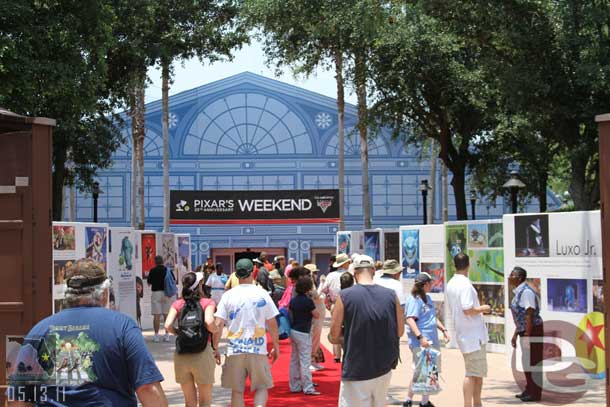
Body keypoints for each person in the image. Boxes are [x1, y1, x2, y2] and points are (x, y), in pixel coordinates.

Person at [7, 259, 168, 406]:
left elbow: (18, 398)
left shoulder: (39, 331)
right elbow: (147, 389)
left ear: (66, 294)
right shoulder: (123, 327)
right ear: (104, 293)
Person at [330, 255, 404, 407]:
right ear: (374, 270)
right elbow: (400, 331)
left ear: (354, 273)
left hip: (356, 367)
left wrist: (345, 335)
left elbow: (334, 335)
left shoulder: (345, 296)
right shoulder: (391, 295)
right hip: (383, 367)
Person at [214, 259, 280, 407]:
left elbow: (218, 324)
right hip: (258, 349)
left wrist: (215, 347)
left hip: (235, 349)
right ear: (253, 271)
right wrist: (276, 345)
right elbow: (272, 322)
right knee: (262, 387)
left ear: (236, 274)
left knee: (237, 390)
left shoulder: (228, 295)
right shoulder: (262, 293)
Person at [164, 272, 220, 407]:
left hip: (182, 354)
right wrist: (215, 331)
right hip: (202, 353)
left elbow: (167, 325)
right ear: (199, 286)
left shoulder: (178, 303)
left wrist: (180, 333)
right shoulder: (207, 302)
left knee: (189, 402)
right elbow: (209, 321)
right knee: (205, 401)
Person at [446, 253, 490, 407]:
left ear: (454, 265)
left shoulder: (451, 283)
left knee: (476, 373)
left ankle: (476, 403)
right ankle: (469, 404)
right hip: (472, 336)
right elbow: (467, 309)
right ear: (468, 265)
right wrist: (483, 308)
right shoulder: (464, 284)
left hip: (465, 334)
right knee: (472, 373)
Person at [404, 272, 450, 407]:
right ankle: (411, 401)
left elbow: (432, 318)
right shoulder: (414, 299)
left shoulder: (428, 298)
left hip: (431, 340)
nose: (432, 284)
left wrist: (444, 330)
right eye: (430, 283)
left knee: (428, 372)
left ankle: (420, 401)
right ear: (424, 285)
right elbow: (410, 319)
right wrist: (420, 337)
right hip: (422, 341)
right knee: (422, 372)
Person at [509, 267, 544, 402]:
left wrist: (528, 336)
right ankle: (529, 389)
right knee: (526, 361)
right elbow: (521, 317)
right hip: (524, 330)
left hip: (532, 330)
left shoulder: (526, 293)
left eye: (512, 275)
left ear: (519, 278)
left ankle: (535, 393)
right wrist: (515, 334)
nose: (509, 277)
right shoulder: (519, 292)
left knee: (533, 362)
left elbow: (529, 314)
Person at [288, 275, 321, 395]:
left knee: (294, 360)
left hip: (293, 330)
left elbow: (290, 313)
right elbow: (317, 315)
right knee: (305, 361)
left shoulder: (293, 301)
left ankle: (294, 385)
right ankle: (308, 387)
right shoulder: (308, 301)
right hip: (303, 332)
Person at [319, 253, 351, 363]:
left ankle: (337, 355)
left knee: (336, 327)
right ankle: (348, 351)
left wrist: (328, 304)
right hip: (349, 304)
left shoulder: (330, 275)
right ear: (345, 263)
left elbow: (323, 291)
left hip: (334, 304)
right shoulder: (350, 274)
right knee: (349, 328)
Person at [147, 255, 174, 342]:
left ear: (155, 262)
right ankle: (167, 335)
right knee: (167, 315)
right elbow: (173, 280)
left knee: (156, 315)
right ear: (163, 261)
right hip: (166, 293)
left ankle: (156, 336)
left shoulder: (152, 270)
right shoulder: (168, 270)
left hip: (156, 293)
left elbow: (149, 282)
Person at [304, 264, 326, 371]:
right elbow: (316, 296)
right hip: (315, 314)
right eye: (314, 273)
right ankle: (310, 361)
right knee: (313, 337)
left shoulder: (312, 283)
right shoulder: (308, 285)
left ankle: (313, 360)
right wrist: (322, 284)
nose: (316, 275)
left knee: (316, 338)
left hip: (319, 314)